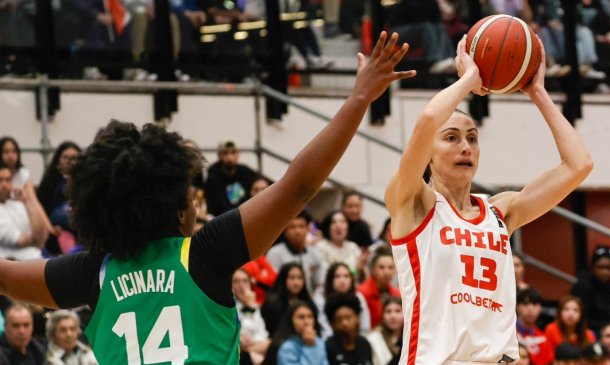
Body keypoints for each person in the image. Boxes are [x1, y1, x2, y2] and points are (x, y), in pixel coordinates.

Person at [0, 32, 415, 365]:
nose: (198, 205)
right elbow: (298, 186)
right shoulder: (203, 253)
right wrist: (360, 97)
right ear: (176, 211)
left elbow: (4, 275)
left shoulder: (95, 272)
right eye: (191, 198)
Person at [383, 30, 593, 363]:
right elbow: (426, 120)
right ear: (428, 154)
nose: (465, 146)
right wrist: (469, 79)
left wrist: (536, 91)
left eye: (472, 138)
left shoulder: (500, 211)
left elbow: (579, 165)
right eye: (451, 138)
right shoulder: (413, 203)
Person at [266, 211, 323, 294]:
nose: (297, 231)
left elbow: (321, 283)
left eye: (301, 226)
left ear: (308, 229)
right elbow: (272, 284)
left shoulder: (315, 253)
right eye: (292, 227)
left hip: (308, 301)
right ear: (285, 231)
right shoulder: (275, 254)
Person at [0, 164, 49, 260]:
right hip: (16, 264)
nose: (4, 184)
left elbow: (43, 236)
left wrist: (27, 201)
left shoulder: (18, 204)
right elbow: (22, 241)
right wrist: (37, 239)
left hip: (37, 257)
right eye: (0, 180)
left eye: (8, 180)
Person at [314, 262, 371, 339]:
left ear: (351, 279)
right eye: (337, 276)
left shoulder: (358, 296)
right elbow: (324, 325)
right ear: (330, 279)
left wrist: (360, 341)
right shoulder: (320, 298)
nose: (342, 280)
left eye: (346, 276)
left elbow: (365, 325)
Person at [261, 263, 319, 337]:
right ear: (283, 279)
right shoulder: (272, 304)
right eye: (292, 278)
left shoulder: (309, 303)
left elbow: (316, 329)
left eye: (300, 278)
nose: (296, 282)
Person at [204, 139, 259, 216]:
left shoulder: (244, 171)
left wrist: (258, 187)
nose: (229, 157)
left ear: (238, 154)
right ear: (219, 155)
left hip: (247, 215)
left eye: (233, 152)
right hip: (224, 220)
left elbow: (262, 181)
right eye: (225, 153)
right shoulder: (213, 178)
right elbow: (212, 210)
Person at [263, 301, 327, 365]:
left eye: (310, 317)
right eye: (301, 317)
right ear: (291, 321)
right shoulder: (287, 348)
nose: (307, 322)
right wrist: (310, 347)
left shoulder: (319, 342)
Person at [232, 269, 270, 365]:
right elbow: (245, 331)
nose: (241, 285)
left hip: (252, 347)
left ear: (250, 283)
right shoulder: (229, 307)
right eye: (236, 281)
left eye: (245, 281)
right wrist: (249, 306)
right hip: (236, 349)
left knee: (271, 344)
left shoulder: (254, 305)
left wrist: (250, 306)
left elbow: (262, 332)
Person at [357, 246, 400, 329]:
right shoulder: (362, 293)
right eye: (381, 267)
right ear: (373, 269)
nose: (386, 272)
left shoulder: (397, 294)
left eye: (390, 267)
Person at [323, 293, 373, 365]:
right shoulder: (328, 347)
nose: (344, 323)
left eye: (348, 318)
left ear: (357, 318)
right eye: (339, 320)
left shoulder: (364, 344)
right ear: (333, 324)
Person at [544, 296, 596, 362]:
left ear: (581, 315)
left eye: (576, 310)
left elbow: (591, 360)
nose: (570, 314)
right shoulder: (551, 329)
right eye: (566, 309)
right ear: (559, 312)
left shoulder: (588, 334)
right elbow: (549, 358)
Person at [314, 210, 362, 275]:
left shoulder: (354, 247)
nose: (338, 226)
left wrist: (354, 272)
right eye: (333, 222)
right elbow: (324, 273)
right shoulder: (320, 247)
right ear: (328, 227)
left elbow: (356, 271)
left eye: (342, 222)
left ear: (347, 227)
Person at [517, 288, 552, 365]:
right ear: (517, 306)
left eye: (535, 304)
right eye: (525, 304)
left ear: (540, 308)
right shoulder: (507, 333)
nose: (530, 309)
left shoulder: (543, 339)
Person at [366, 297, 403, 365]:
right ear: (382, 315)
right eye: (388, 311)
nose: (393, 316)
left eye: (398, 311)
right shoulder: (373, 339)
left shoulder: (410, 337)